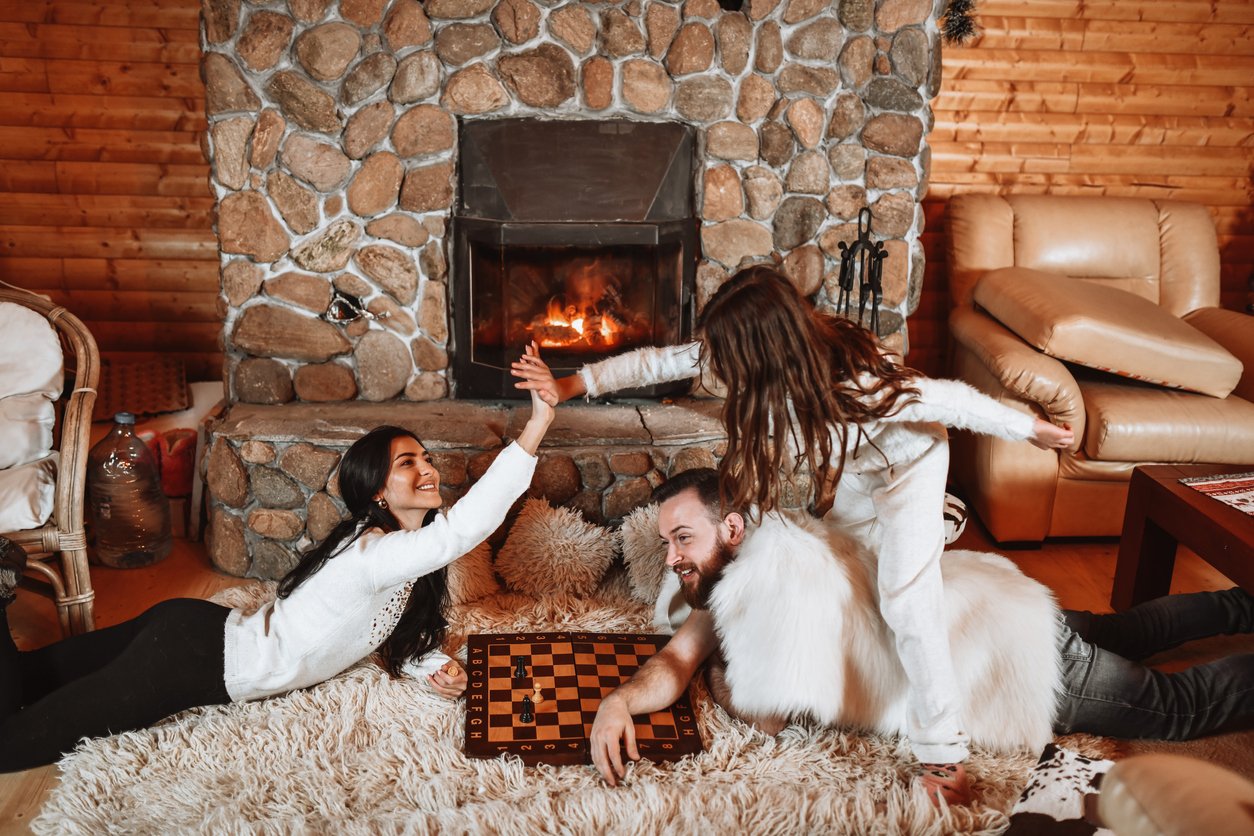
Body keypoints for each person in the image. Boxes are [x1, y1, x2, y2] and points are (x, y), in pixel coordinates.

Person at [515, 265, 1075, 803]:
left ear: (761, 352)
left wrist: (1031, 429)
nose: (717, 367)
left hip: (911, 465)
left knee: (907, 602)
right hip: (857, 473)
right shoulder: (767, 376)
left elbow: (951, 400)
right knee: (845, 572)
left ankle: (944, 754)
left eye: (728, 358)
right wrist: (566, 386)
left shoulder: (860, 384)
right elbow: (656, 362)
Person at [0, 343, 560, 774]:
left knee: (28, 677)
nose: (428, 468)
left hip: (198, 628)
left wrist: (430, 665)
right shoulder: (375, 552)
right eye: (407, 463)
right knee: (15, 743)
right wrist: (537, 423)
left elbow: (380, 631)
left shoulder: (394, 556)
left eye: (426, 457)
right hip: (195, 660)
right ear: (378, 492)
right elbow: (463, 530)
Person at [588, 469, 1254, 803]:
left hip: (999, 660)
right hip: (988, 598)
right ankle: (1240, 602)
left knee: (1179, 708)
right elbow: (677, 655)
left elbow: (762, 713)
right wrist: (619, 702)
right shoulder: (764, 547)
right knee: (1127, 630)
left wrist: (715, 679)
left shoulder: (769, 587)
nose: (673, 556)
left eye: (683, 538)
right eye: (667, 541)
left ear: (729, 528)